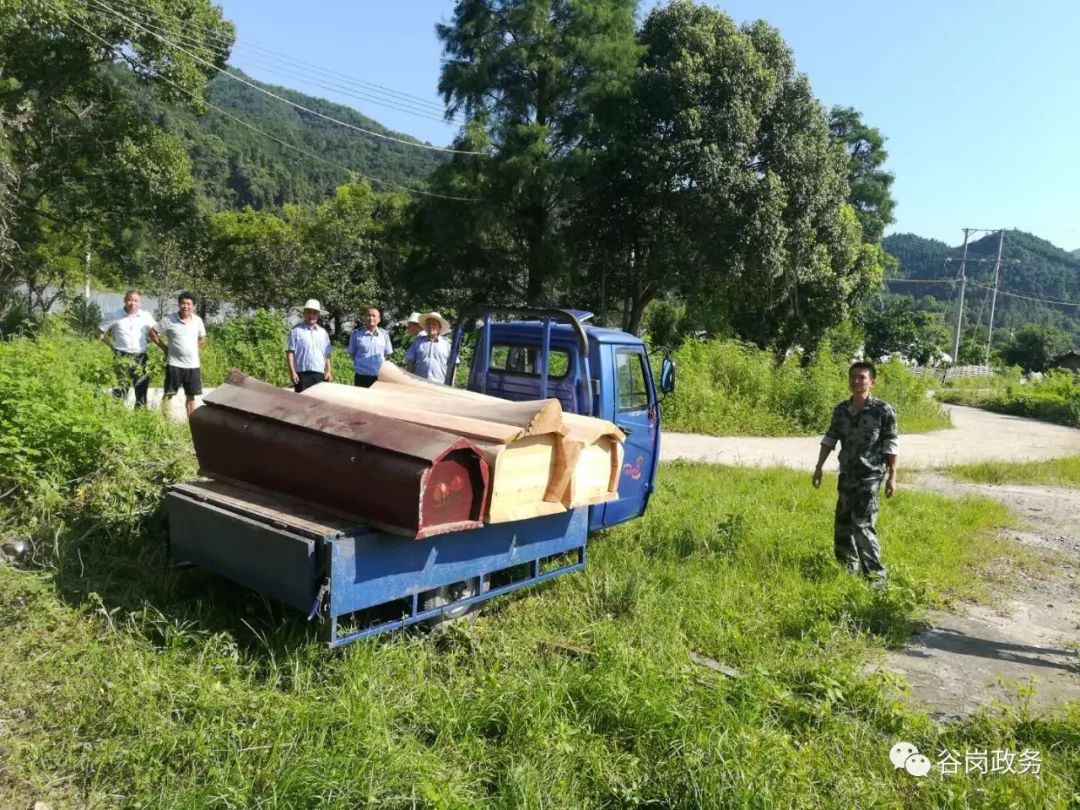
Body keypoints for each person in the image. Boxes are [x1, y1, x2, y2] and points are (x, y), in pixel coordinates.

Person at [812, 361, 899, 582]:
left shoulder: (882, 410)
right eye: (853, 377)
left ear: (872, 382)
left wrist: (892, 476)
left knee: (862, 525)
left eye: (862, 377)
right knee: (842, 524)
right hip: (846, 475)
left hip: (869, 476)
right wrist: (819, 467)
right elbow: (830, 439)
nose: (857, 381)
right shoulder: (842, 410)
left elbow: (891, 444)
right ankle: (846, 571)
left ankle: (876, 577)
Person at [149, 291, 206, 417]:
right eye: (183, 303)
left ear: (194, 306)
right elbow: (152, 333)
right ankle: (166, 425)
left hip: (193, 366)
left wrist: (192, 348)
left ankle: (192, 425)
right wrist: (164, 348)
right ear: (179, 304)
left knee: (191, 398)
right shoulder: (169, 319)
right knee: (169, 394)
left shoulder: (197, 320)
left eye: (188, 304)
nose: (185, 306)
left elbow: (202, 338)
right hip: (174, 364)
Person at [98, 289, 156, 408]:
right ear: (125, 300)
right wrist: (112, 347)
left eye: (136, 301)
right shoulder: (114, 315)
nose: (132, 303)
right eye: (130, 300)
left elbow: (156, 332)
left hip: (140, 357)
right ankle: (117, 416)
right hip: (121, 356)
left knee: (141, 390)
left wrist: (151, 344)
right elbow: (99, 333)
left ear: (140, 303)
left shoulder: (145, 316)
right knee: (120, 389)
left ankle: (139, 418)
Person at [286, 299, 333, 392]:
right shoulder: (295, 331)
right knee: (301, 403)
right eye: (309, 312)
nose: (311, 315)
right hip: (302, 374)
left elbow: (327, 354)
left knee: (318, 403)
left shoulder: (323, 333)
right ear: (304, 313)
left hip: (319, 374)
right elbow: (290, 352)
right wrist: (292, 372)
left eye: (315, 313)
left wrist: (328, 371)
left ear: (318, 315)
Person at [346, 307, 392, 388]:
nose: (371, 318)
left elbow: (387, 354)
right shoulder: (356, 334)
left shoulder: (384, 335)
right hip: (361, 376)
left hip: (379, 377)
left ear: (379, 319)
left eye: (374, 316)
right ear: (364, 318)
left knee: (378, 400)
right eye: (368, 315)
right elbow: (352, 353)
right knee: (360, 400)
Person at [406, 311, 452, 383]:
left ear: (439, 327)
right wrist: (408, 381)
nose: (431, 326)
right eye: (428, 324)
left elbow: (453, 366)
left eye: (434, 324)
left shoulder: (447, 345)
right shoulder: (417, 343)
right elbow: (410, 363)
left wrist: (451, 384)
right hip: (419, 382)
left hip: (440, 384)